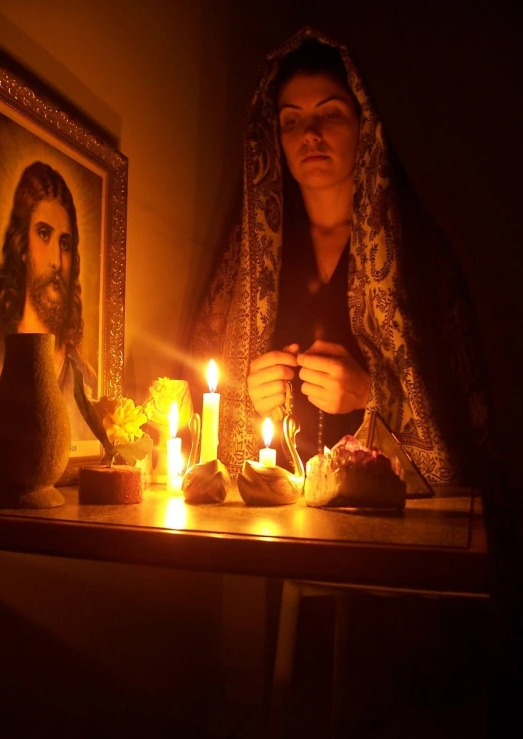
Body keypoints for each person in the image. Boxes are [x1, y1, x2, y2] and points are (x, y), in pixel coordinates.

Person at [189, 27, 497, 489]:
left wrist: (371, 395)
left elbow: (463, 414)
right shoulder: (249, 260)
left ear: (363, 125)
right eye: (291, 120)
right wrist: (247, 395)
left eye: (329, 113)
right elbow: (201, 389)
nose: (309, 134)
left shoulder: (417, 257)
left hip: (387, 527)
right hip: (277, 523)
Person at [0, 160, 96, 440]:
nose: (56, 261)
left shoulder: (85, 377)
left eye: (65, 243)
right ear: (22, 246)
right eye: (44, 234)